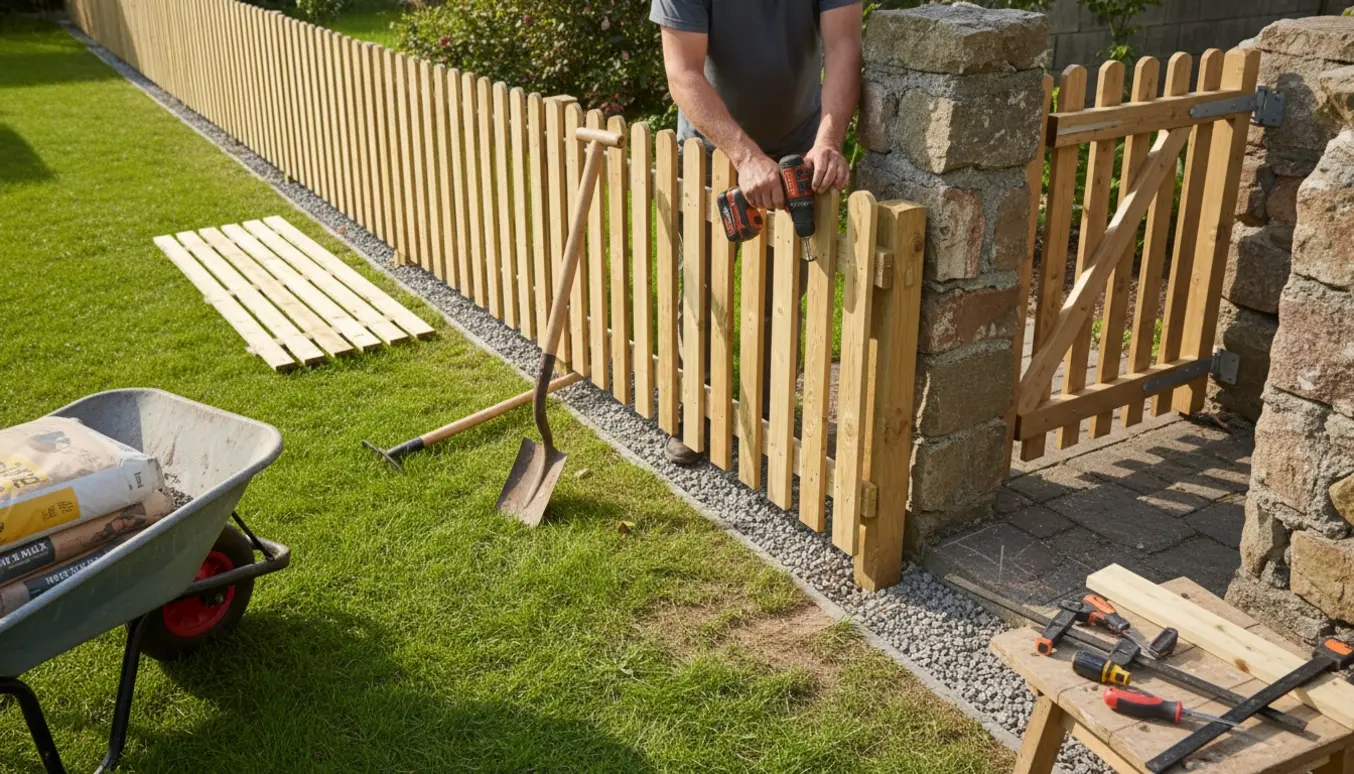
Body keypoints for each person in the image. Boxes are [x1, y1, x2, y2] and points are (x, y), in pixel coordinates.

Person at [650, 0, 864, 466]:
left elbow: (844, 46)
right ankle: (698, 409)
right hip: (712, 148)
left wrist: (827, 141)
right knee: (705, 288)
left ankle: (765, 409)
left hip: (798, 149)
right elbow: (683, 72)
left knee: (782, 293)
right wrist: (744, 157)